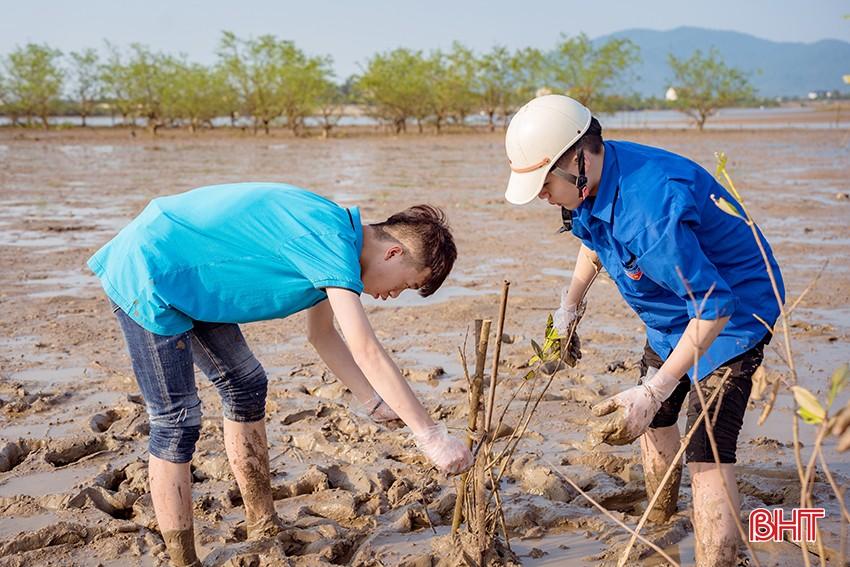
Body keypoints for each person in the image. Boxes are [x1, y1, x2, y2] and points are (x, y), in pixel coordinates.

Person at [88, 182, 472, 567]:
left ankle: (262, 523)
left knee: (246, 385)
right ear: (393, 252)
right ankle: (183, 560)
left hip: (192, 279)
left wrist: (372, 402)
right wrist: (431, 436)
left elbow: (321, 335)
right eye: (407, 284)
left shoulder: (337, 246)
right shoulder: (329, 239)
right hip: (150, 269)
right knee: (177, 421)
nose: (392, 295)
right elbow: (365, 347)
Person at [503, 95, 784, 566]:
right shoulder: (591, 182)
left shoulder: (651, 213)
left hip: (733, 313)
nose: (541, 196)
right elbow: (594, 244)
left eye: (544, 183)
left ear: (577, 157)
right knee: (654, 417)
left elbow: (714, 307)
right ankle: (660, 522)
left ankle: (717, 558)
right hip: (672, 312)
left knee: (706, 446)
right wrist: (568, 309)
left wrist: (654, 389)